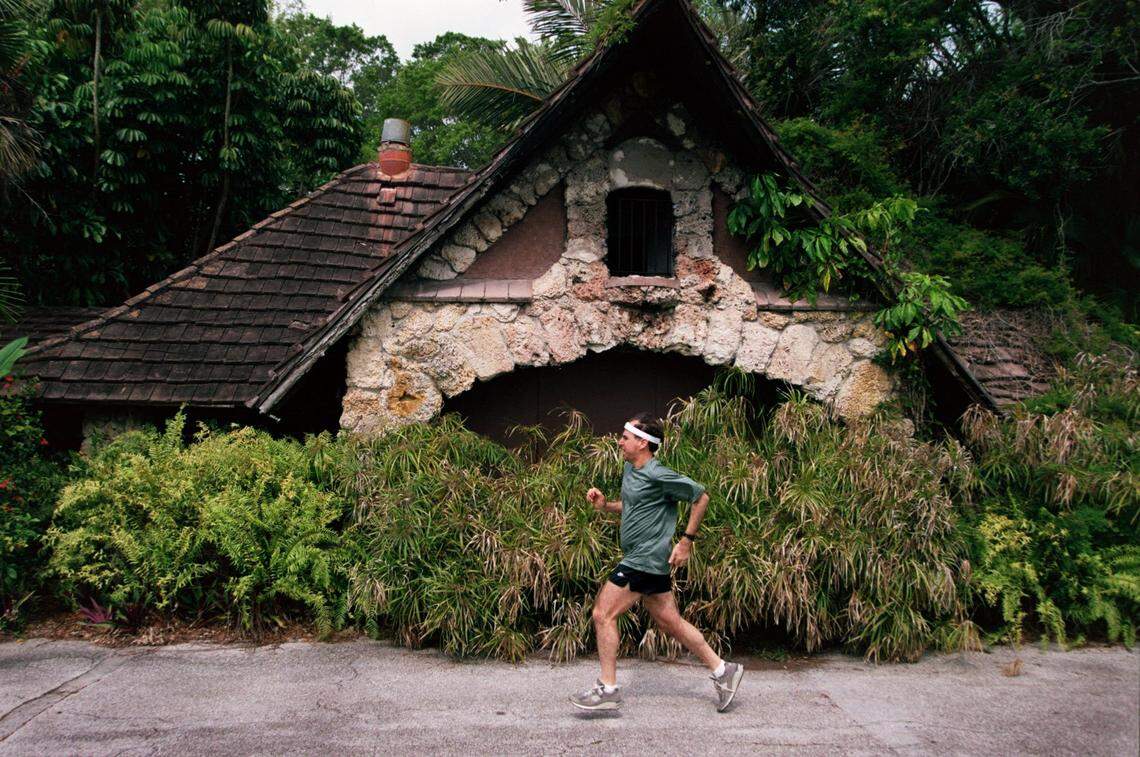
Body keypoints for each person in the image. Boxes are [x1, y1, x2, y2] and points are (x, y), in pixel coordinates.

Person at [570, 412, 744, 712]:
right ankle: (722, 670)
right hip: (643, 559)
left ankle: (608, 688)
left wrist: (686, 541)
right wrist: (606, 505)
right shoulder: (632, 472)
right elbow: (635, 504)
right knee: (670, 622)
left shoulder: (658, 474)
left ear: (642, 443)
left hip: (645, 559)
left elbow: (700, 496)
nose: (620, 442)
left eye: (626, 437)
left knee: (603, 614)